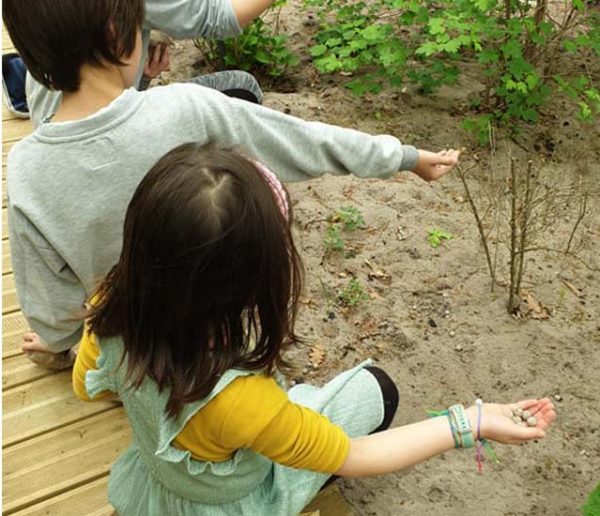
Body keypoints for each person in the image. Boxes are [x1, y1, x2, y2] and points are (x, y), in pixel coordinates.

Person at [73, 144, 556, 515]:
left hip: (162, 490)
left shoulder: (107, 311)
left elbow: (86, 387)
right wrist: (468, 422)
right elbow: (353, 456)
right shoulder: (243, 402)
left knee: (298, 410)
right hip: (232, 499)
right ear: (251, 283)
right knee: (378, 391)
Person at [4, 0, 460, 369]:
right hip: (214, 335)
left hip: (129, 360)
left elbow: (54, 317)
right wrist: (405, 157)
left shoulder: (25, 168)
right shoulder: (185, 109)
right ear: (115, 34)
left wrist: (59, 350)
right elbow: (304, 142)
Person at [25, 0, 276, 125]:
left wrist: (140, 78)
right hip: (105, 131)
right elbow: (218, 16)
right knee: (243, 91)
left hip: (55, 122)